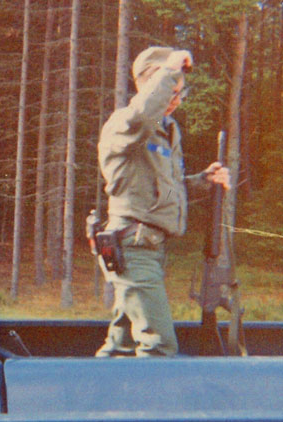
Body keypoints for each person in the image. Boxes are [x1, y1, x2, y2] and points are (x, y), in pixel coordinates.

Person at [95, 46, 231, 357]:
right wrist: (170, 71)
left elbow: (163, 190)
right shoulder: (126, 124)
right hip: (133, 248)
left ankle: (95, 404)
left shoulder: (167, 132)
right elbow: (143, 113)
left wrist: (202, 182)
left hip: (150, 250)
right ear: (149, 84)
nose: (177, 99)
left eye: (181, 91)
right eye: (171, 89)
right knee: (160, 349)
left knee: (122, 347)